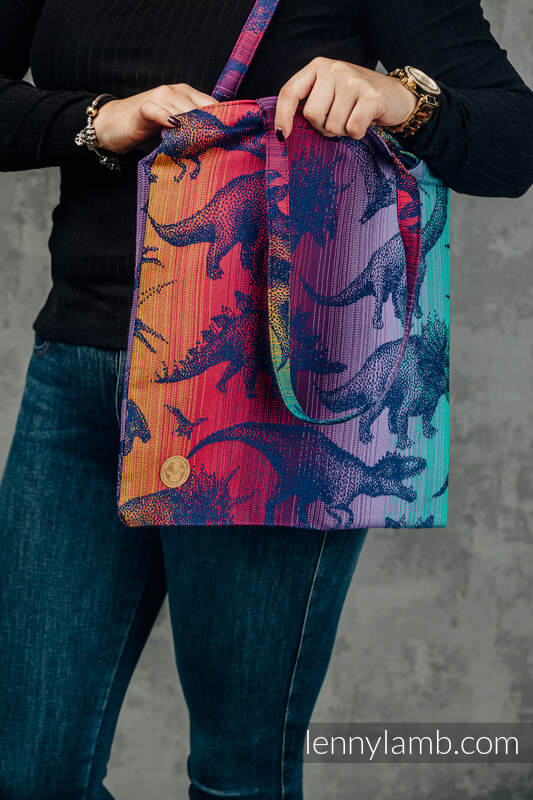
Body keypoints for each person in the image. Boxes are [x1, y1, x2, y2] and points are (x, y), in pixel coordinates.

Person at [0, 1, 532, 798]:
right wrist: (96, 120)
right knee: (27, 774)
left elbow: (512, 143)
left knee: (237, 777)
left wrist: (399, 99)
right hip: (81, 374)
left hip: (270, 394)